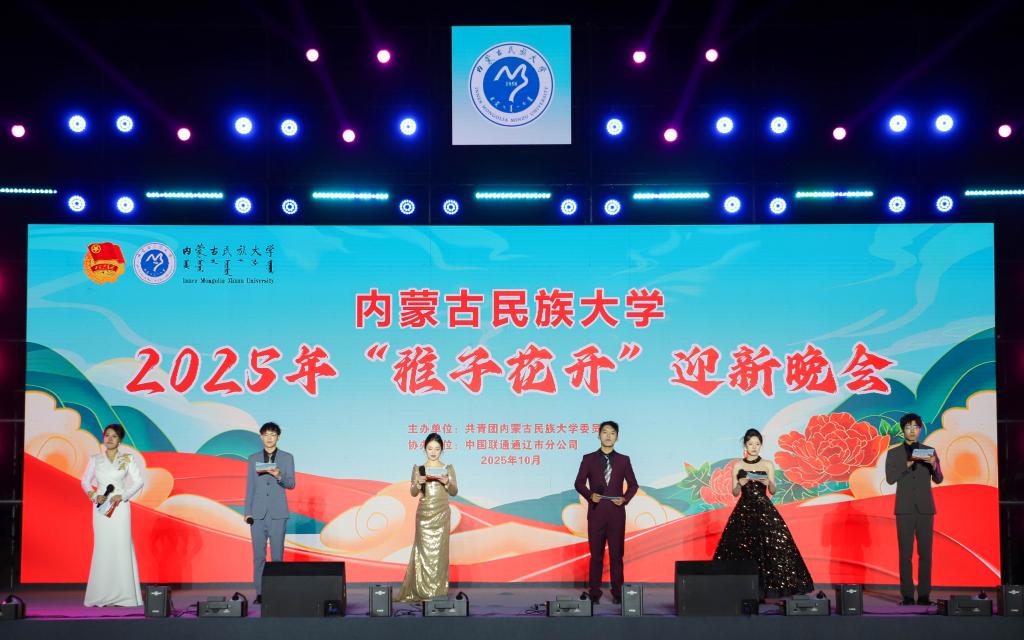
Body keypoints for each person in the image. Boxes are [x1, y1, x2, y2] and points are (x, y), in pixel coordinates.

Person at [712, 428, 814, 598]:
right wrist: (740, 483)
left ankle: (768, 589)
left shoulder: (767, 464)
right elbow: (735, 493)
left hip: (764, 510)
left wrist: (768, 483)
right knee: (741, 548)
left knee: (773, 547)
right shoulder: (738, 465)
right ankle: (743, 589)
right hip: (744, 512)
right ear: (745, 445)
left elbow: (773, 491)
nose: (754, 447)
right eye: (751, 444)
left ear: (761, 445)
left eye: (757, 444)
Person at [573, 420, 639, 605]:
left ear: (617, 437)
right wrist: (589, 495)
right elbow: (578, 483)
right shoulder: (588, 459)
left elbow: (633, 485)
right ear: (598, 435)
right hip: (596, 513)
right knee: (596, 556)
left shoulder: (624, 460)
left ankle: (618, 593)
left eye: (612, 433)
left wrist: (624, 498)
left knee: (617, 556)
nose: (608, 436)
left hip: (616, 514)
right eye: (605, 432)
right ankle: (594, 593)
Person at [81, 423, 145, 607]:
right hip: (101, 506)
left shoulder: (127, 459)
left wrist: (123, 495)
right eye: (107, 435)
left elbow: (139, 481)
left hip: (120, 506)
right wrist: (94, 495)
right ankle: (100, 594)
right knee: (103, 546)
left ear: (120, 440)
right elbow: (85, 481)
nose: (109, 439)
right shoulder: (95, 459)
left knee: (121, 545)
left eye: (114, 436)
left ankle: (125, 596)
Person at [885, 413, 943, 605]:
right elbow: (890, 479)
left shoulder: (929, 451)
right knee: (905, 555)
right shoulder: (894, 453)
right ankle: (908, 596)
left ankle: (924, 595)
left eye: (915, 427)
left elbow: (939, 479)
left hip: (926, 509)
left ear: (920, 429)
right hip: (904, 509)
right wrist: (907, 464)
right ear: (903, 430)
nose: (912, 430)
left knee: (926, 554)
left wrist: (934, 465)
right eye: (908, 427)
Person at [398, 433, 458, 602]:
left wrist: (447, 482)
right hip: (424, 515)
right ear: (424, 449)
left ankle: (437, 593)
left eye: (437, 449)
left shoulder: (448, 468)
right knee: (423, 553)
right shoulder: (419, 469)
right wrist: (418, 483)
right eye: (430, 448)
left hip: (442, 514)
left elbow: (454, 491)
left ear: (442, 450)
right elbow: (413, 493)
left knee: (440, 554)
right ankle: (421, 591)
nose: (433, 452)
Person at [243, 422, 296, 605]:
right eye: (266, 435)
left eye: (273, 435)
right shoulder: (253, 458)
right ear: (261, 437)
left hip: (278, 513)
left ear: (278, 437)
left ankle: (277, 592)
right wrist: (247, 511)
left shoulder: (287, 458)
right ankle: (260, 592)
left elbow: (291, 484)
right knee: (258, 556)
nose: (269, 438)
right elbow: (250, 486)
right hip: (257, 514)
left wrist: (279, 475)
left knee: (277, 557)